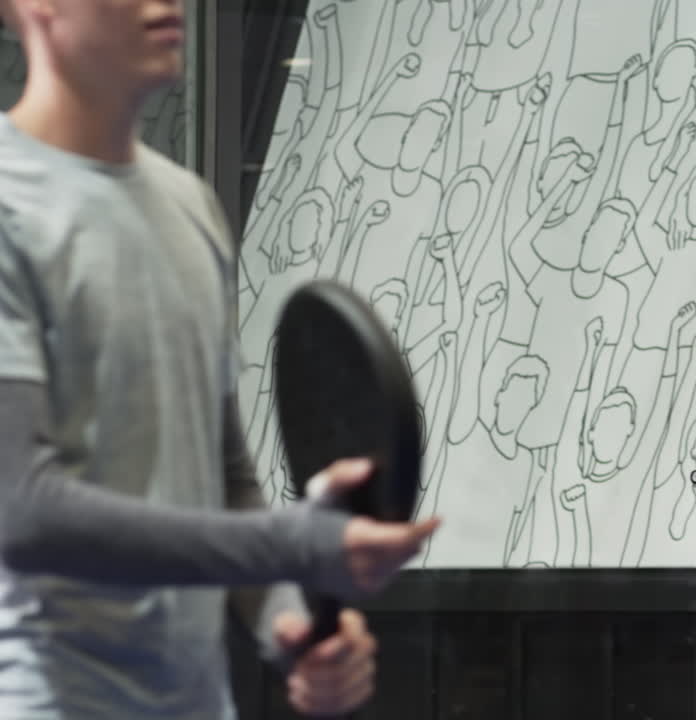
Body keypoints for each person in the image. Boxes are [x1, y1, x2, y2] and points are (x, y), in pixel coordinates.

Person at [0, 1, 440, 718]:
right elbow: (23, 510)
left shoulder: (191, 208)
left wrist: (291, 628)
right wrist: (292, 544)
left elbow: (225, 478)